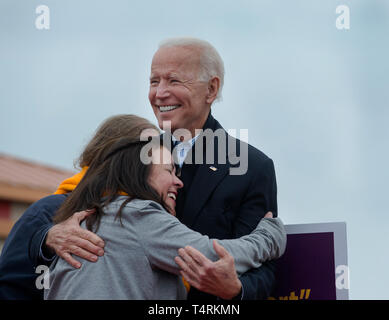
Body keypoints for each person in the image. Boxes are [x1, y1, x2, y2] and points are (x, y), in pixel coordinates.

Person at [34, 37, 280, 300]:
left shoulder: (251, 167)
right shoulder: (128, 152)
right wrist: (48, 237)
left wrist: (236, 291)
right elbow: (63, 207)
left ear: (211, 89)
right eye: (154, 81)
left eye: (174, 81)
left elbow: (265, 272)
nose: (159, 93)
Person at [44, 135, 286, 300]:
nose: (178, 181)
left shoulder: (88, 219)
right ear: (138, 175)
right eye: (169, 171)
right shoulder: (135, 214)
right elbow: (212, 256)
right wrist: (269, 235)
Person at [0, 114, 159, 299]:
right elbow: (10, 283)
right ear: (115, 155)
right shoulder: (49, 210)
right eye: (147, 154)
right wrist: (44, 241)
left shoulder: (153, 214)